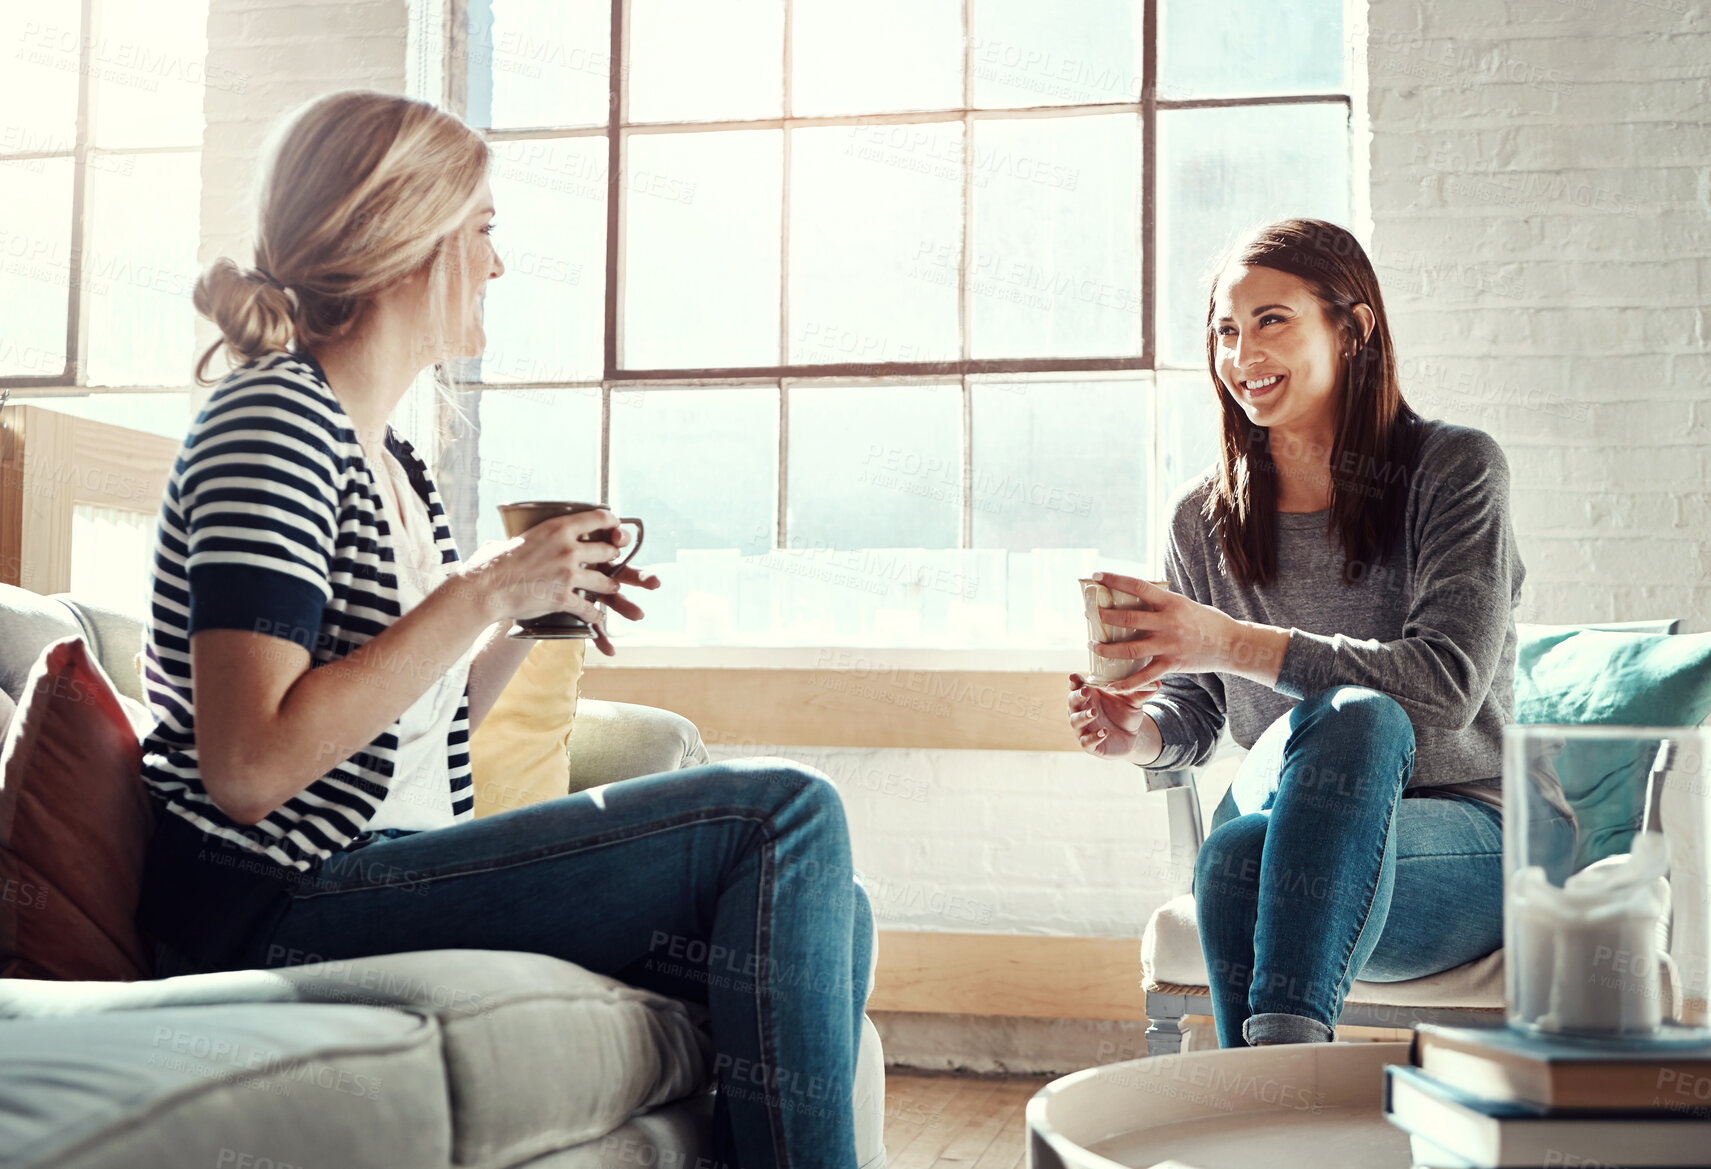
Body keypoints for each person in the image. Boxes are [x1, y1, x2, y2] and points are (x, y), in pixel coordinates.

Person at [134, 89, 869, 1169]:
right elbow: (248, 767)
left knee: (829, 901)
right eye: (482, 230)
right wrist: (480, 588)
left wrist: (530, 614)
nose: (496, 264)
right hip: (285, 894)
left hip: (387, 863)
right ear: (407, 235)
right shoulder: (274, 422)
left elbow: (415, 722)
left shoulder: (393, 460)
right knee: (784, 817)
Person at [1064, 218, 1573, 1048]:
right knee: (1233, 860)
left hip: (1468, 838)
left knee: (1357, 718)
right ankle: (1277, 1094)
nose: (1241, 353)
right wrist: (1143, 732)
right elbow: (1197, 708)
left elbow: (1443, 686)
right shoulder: (1201, 517)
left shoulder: (1454, 471)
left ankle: (1269, 1090)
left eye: (1271, 320)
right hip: (1292, 831)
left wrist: (1229, 640)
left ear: (1353, 327)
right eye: (1225, 330)